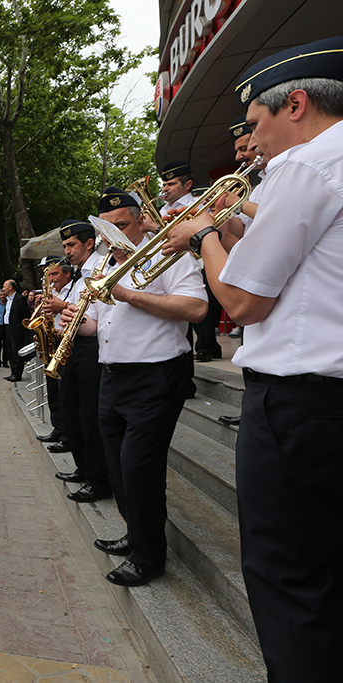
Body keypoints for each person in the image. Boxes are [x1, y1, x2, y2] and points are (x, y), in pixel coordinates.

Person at [163, 38, 343, 680]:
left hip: (301, 405)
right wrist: (236, 224)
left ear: (295, 104)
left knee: (286, 575)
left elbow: (240, 299)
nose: (253, 142)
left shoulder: (308, 164)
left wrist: (203, 233)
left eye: (256, 124)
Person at [65, 187, 206, 588]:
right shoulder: (106, 263)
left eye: (123, 226)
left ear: (141, 220)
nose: (117, 238)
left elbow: (196, 308)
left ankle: (148, 557)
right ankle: (135, 535)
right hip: (114, 375)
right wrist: (75, 323)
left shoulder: (169, 254)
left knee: (139, 468)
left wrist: (126, 293)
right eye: (108, 231)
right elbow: (100, 324)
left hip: (155, 375)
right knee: (118, 465)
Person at [48, 221, 111, 500]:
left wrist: (64, 310)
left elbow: (95, 321)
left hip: (90, 350)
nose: (67, 251)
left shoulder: (99, 269)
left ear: (89, 243)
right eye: (64, 246)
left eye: (71, 244)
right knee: (72, 414)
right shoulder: (78, 274)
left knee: (87, 417)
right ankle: (83, 468)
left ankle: (98, 480)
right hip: (73, 348)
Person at [35, 257, 73, 454]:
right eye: (49, 275)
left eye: (54, 274)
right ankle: (58, 428)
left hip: (67, 344)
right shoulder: (53, 292)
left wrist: (61, 305)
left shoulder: (73, 288)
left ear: (67, 274)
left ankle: (67, 435)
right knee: (53, 390)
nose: (52, 278)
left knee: (64, 392)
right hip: (52, 343)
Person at [2, 280, 31, 382]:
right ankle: (13, 371)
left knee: (16, 351)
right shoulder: (8, 299)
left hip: (17, 330)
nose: (3, 288)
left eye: (5, 286)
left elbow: (26, 313)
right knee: (9, 350)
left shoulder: (20, 298)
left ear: (10, 287)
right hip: (8, 328)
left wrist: (21, 327)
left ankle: (17, 374)